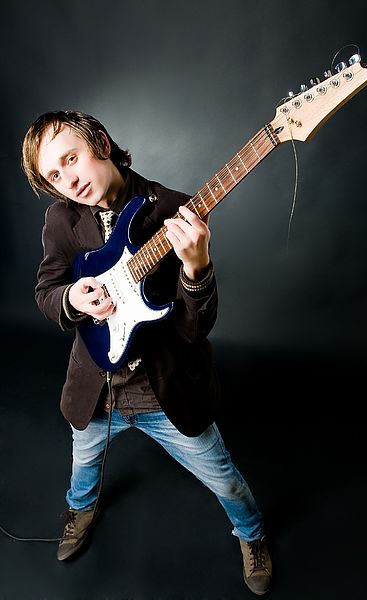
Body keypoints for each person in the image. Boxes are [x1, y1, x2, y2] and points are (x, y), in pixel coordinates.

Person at [21, 110, 272, 596]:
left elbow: (196, 329)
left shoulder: (175, 210)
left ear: (100, 142)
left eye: (71, 159)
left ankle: (252, 535)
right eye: (54, 175)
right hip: (96, 389)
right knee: (83, 465)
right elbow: (47, 290)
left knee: (225, 480)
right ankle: (81, 509)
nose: (69, 181)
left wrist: (196, 267)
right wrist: (73, 298)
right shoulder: (61, 220)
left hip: (164, 391)